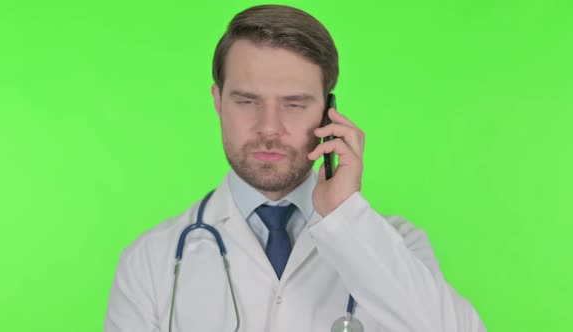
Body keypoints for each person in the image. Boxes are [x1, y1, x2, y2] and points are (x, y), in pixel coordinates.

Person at [104, 4, 486, 332]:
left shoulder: (397, 244)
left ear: (328, 110)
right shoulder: (151, 261)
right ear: (219, 101)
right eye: (247, 101)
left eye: (294, 103)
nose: (269, 128)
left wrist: (346, 218)